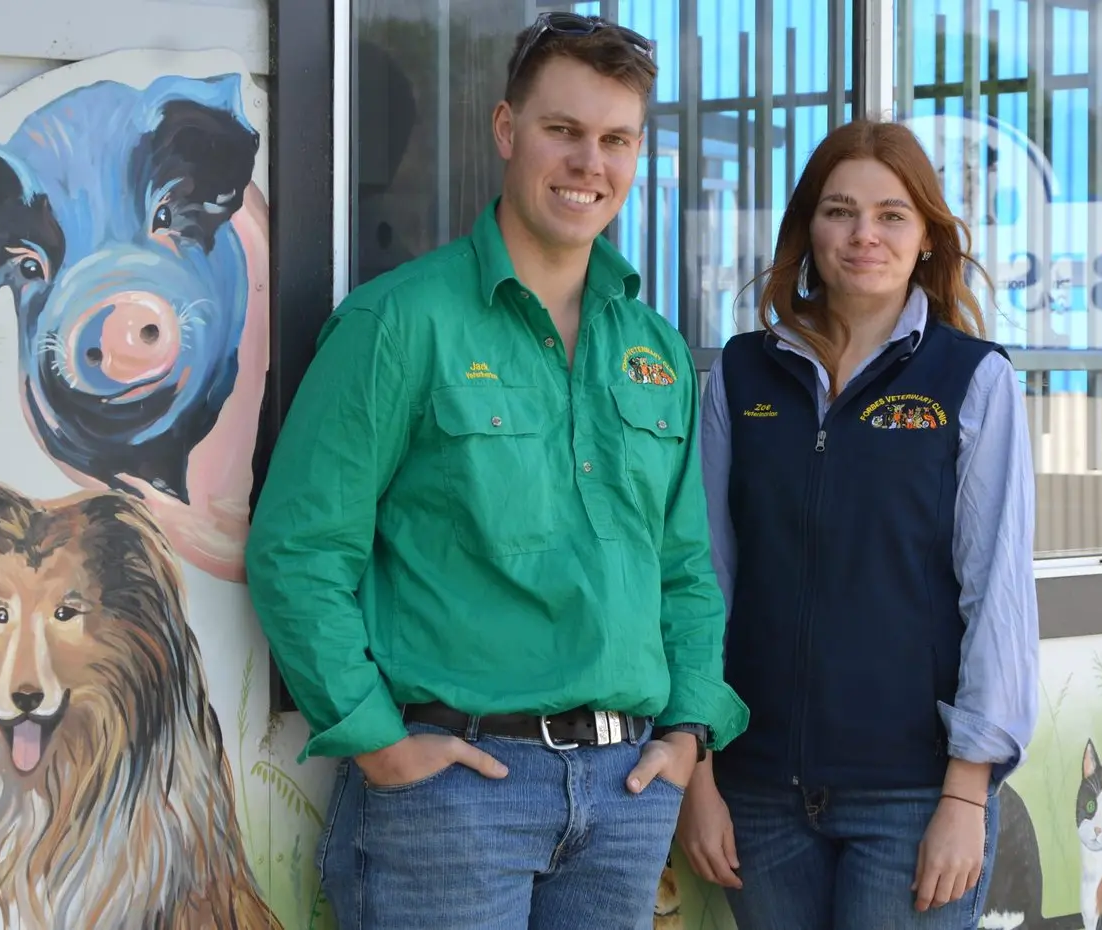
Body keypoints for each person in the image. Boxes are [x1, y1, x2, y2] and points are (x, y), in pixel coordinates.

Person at [245, 11, 748, 930]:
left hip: (627, 793)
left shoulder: (657, 352)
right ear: (507, 129)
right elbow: (299, 549)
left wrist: (686, 730)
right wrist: (378, 742)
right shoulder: (399, 323)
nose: (588, 163)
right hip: (456, 792)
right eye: (563, 130)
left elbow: (683, 569)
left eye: (615, 140)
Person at [675, 118, 1040, 929]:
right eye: (839, 211)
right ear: (808, 228)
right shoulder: (741, 374)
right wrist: (697, 775)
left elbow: (997, 595)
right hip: (755, 793)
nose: (863, 234)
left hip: (912, 797)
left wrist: (964, 795)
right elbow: (702, 580)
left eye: (890, 215)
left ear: (925, 237)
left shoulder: (972, 380)